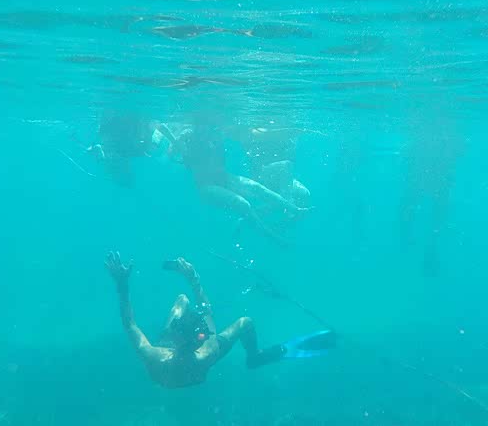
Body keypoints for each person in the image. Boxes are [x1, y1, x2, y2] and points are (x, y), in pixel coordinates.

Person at [105, 252, 335, 388]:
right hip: (197, 360)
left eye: (176, 326)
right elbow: (207, 314)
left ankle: (189, 304)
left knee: (182, 301)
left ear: (177, 337)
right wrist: (193, 277)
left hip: (181, 366)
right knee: (245, 321)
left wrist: (122, 284)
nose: (175, 325)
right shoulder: (206, 351)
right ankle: (254, 357)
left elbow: (129, 323)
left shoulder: (155, 357)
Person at [158, 122, 310, 246]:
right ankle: (273, 237)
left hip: (224, 177)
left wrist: (284, 132)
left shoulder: (215, 132)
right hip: (205, 186)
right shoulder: (187, 137)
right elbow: (173, 155)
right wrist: (175, 141)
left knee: (258, 188)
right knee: (243, 204)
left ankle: (294, 209)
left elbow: (246, 133)